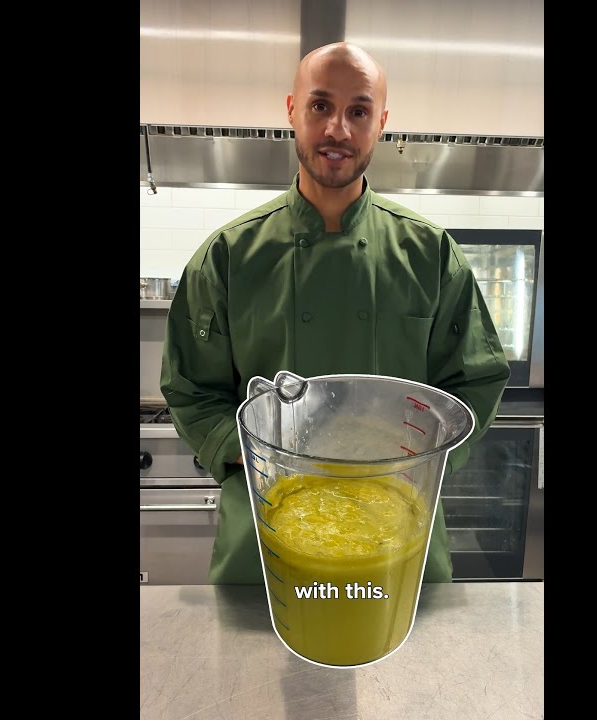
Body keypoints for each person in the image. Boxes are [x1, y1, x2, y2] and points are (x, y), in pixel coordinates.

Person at [160, 42, 511, 585]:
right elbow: (191, 391)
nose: (338, 130)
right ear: (292, 110)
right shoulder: (228, 257)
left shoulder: (431, 255)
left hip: (397, 539)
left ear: (382, 122)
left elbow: (475, 384)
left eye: (359, 111)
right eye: (321, 105)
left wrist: (417, 465)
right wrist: (259, 457)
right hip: (266, 540)